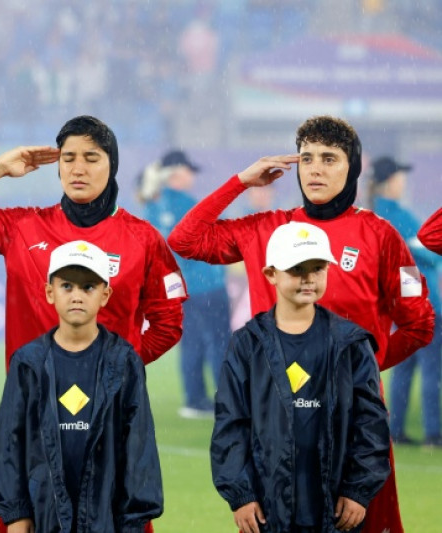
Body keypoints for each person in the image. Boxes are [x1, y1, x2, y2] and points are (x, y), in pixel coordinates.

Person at [168, 115, 434, 533]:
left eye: (329, 158)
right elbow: (185, 240)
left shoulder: (380, 235)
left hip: (353, 418)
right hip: (274, 413)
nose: (315, 169)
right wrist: (240, 181)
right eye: (307, 158)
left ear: (353, 168)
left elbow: (419, 323)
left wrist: (357, 370)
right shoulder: (267, 230)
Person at [0, 115, 186, 367]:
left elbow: (168, 325)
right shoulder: (22, 228)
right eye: (68, 158)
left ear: (112, 165)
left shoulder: (143, 238)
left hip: (111, 404)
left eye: (91, 158)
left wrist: (120, 368)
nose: (78, 169)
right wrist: (0, 167)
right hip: (31, 401)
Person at [211, 221, 390, 533]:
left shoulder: (351, 343)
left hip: (337, 508)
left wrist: (358, 491)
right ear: (271, 274)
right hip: (266, 509)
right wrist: (241, 495)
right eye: (296, 269)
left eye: (317, 268)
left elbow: (370, 424)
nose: (308, 278)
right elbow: (231, 424)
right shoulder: (247, 344)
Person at [0, 240, 163, 532]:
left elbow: (139, 450)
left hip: (107, 518)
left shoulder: (124, 361)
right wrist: (15, 514)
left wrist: (133, 521)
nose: (77, 296)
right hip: (42, 517)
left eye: (88, 287)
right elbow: (7, 443)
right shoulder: (28, 362)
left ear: (105, 295)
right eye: (67, 286)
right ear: (49, 292)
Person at [138, 149, 231, 418]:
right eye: (188, 170)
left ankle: (194, 400)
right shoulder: (189, 204)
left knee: (190, 343)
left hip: (179, 290)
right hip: (208, 285)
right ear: (176, 172)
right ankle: (225, 401)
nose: (191, 176)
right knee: (219, 342)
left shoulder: (153, 207)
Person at [369, 156, 442, 447]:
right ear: (390, 181)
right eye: (400, 176)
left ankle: (396, 428)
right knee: (431, 368)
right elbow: (428, 254)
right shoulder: (399, 214)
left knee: (405, 367)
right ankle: (433, 432)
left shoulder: (373, 215)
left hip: (398, 304)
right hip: (422, 301)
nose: (404, 182)